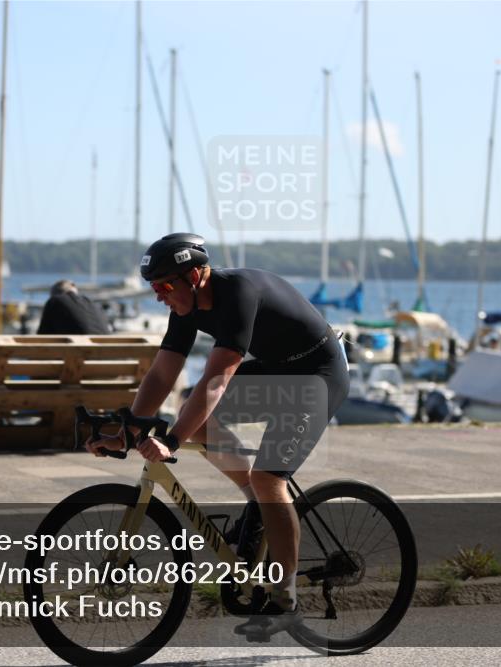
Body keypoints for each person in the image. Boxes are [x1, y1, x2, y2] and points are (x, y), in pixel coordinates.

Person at [85, 233, 349, 639]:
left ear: (194, 276)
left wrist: (171, 442)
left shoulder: (238, 294)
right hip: (279, 372)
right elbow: (161, 374)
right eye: (153, 288)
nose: (158, 296)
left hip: (317, 376)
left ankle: (286, 599)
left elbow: (217, 380)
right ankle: (255, 509)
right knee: (202, 418)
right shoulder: (185, 306)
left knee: (268, 479)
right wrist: (130, 431)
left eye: (164, 286)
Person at [37, 280, 111, 335]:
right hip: (106, 353)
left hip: (79, 352)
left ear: (54, 294)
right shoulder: (95, 304)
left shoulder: (55, 300)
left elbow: (42, 335)